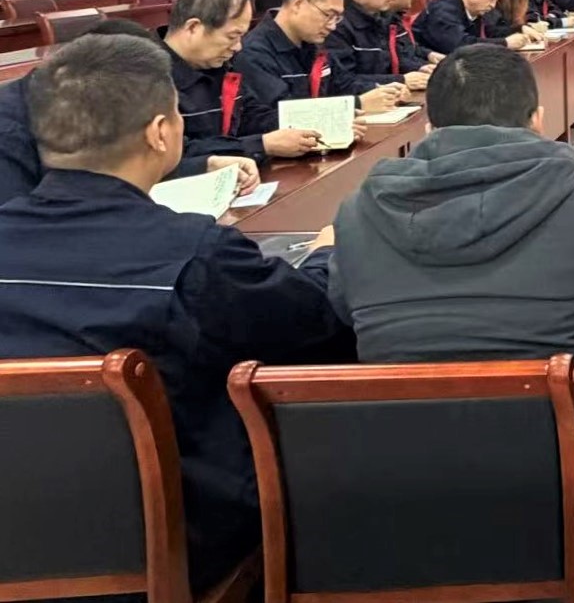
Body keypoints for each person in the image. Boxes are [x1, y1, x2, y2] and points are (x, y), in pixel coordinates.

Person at [0, 35, 346, 594]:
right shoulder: (194, 254)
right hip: (170, 539)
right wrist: (327, 256)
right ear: (161, 132)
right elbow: (316, 328)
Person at [329, 43, 574, 530]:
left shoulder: (356, 214)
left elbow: (343, 310)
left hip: (402, 496)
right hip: (554, 499)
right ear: (538, 119)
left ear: (428, 129)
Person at [1, 19, 266, 206]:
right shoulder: (9, 129)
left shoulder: (88, 97)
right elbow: (19, 227)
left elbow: (129, 159)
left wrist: (206, 164)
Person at [164, 0, 324, 169]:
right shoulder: (146, 78)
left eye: (242, 36)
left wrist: (317, 121)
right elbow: (172, 154)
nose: (238, 46)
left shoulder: (221, 67)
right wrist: (262, 145)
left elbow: (250, 115)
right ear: (193, 28)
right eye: (232, 36)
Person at [230, 0, 405, 138]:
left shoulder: (314, 47)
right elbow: (279, 115)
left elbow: (342, 84)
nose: (333, 26)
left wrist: (387, 90)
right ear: (298, 4)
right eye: (328, 15)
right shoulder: (253, 53)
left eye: (337, 18)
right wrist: (356, 104)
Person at [325, 0, 435, 92]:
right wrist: (401, 80)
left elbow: (395, 60)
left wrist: (420, 68)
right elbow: (341, 82)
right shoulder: (337, 26)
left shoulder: (385, 18)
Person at [413, 0, 533, 54]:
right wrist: (505, 43)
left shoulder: (474, 9)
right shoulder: (444, 9)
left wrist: (519, 29)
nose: (493, 5)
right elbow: (459, 45)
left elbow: (491, 32)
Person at [385, 0, 444, 68]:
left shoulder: (397, 17)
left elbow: (408, 49)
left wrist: (429, 54)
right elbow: (395, 64)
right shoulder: (378, 23)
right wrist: (421, 68)